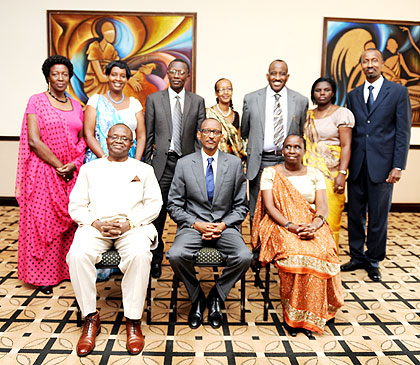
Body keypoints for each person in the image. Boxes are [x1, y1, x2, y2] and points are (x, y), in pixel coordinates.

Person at [67, 123, 162, 357]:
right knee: (77, 254)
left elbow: (155, 204)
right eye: (114, 136)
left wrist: (129, 223)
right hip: (97, 226)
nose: (119, 141)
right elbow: (76, 205)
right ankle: (90, 317)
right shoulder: (90, 169)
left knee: (140, 255)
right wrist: (95, 223)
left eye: (125, 138)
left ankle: (132, 320)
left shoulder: (144, 169)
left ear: (132, 144)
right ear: (106, 140)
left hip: (132, 226)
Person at [252, 135, 344, 336]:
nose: (292, 151)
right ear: (282, 150)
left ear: (304, 150)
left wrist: (315, 225)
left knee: (324, 251)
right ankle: (294, 316)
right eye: (288, 147)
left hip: (311, 222)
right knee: (295, 253)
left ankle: (318, 312)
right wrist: (291, 226)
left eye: (297, 147)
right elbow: (269, 207)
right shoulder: (270, 173)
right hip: (280, 223)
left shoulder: (315, 174)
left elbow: (322, 206)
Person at [166, 118, 252, 329]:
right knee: (175, 255)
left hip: (225, 226)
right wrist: (196, 224)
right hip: (193, 226)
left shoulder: (233, 164)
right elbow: (174, 205)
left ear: (221, 136)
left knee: (245, 257)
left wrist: (223, 225)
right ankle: (197, 297)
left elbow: (242, 206)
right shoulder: (184, 163)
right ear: (199, 135)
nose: (211, 136)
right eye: (207, 131)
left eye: (216, 132)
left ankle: (216, 295)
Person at [16, 55, 86, 295]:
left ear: (69, 77)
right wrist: (59, 166)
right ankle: (42, 276)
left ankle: (65, 270)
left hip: (70, 173)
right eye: (55, 74)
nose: (60, 78)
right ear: (48, 76)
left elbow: (82, 139)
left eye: (64, 74)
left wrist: (74, 165)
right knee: (43, 224)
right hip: (44, 172)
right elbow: (34, 141)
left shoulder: (77, 105)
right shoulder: (36, 101)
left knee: (69, 223)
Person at [342, 48, 411, 281]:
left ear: (382, 63)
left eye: (374, 60)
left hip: (383, 166)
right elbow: (349, 131)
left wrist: (398, 165)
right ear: (360, 65)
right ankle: (356, 256)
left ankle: (373, 260)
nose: (369, 64)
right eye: (365, 61)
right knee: (354, 214)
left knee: (379, 215)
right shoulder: (353, 94)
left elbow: (403, 132)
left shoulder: (398, 93)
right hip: (357, 164)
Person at [144, 58, 206, 278]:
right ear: (168, 74)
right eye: (173, 71)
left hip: (187, 166)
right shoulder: (153, 99)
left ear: (187, 75)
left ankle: (184, 258)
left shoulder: (197, 101)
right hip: (162, 165)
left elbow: (200, 137)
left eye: (182, 72)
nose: (177, 75)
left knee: (187, 214)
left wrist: (199, 166)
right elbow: (148, 134)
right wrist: (145, 167)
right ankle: (155, 259)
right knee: (157, 216)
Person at [241, 59, 308, 222]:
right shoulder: (251, 99)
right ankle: (257, 247)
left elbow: (300, 134)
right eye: (273, 73)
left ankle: (281, 247)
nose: (277, 77)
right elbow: (244, 130)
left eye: (282, 73)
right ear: (267, 76)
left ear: (287, 76)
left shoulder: (300, 100)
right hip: (260, 160)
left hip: (288, 161)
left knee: (286, 208)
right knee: (257, 209)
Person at [303, 77, 354, 247]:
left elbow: (346, 146)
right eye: (318, 90)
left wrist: (342, 173)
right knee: (308, 215)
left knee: (330, 216)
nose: (322, 93)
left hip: (331, 174)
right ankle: (311, 258)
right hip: (308, 173)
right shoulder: (308, 114)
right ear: (313, 93)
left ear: (333, 93)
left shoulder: (342, 113)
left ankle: (329, 260)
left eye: (326, 90)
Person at [84, 60, 146, 163]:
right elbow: (88, 135)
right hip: (100, 161)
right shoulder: (95, 101)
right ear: (107, 76)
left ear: (127, 79)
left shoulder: (135, 104)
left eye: (122, 76)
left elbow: (141, 136)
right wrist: (105, 160)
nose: (118, 79)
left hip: (129, 161)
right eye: (114, 75)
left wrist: (136, 163)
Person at [206, 78, 246, 163]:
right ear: (216, 93)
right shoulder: (208, 113)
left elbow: (238, 144)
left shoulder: (236, 115)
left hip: (231, 162)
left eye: (229, 89)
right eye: (222, 90)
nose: (226, 92)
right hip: (212, 160)